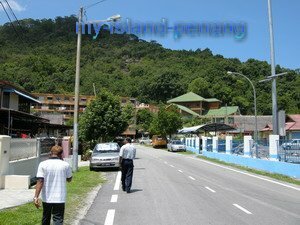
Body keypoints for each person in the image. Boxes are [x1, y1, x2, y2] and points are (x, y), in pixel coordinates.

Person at [34, 145, 72, 225]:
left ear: (50, 153)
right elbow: (69, 179)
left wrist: (36, 197)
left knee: (46, 218)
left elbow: (40, 181)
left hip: (47, 197)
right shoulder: (65, 165)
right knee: (58, 219)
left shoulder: (43, 164)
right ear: (61, 154)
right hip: (60, 197)